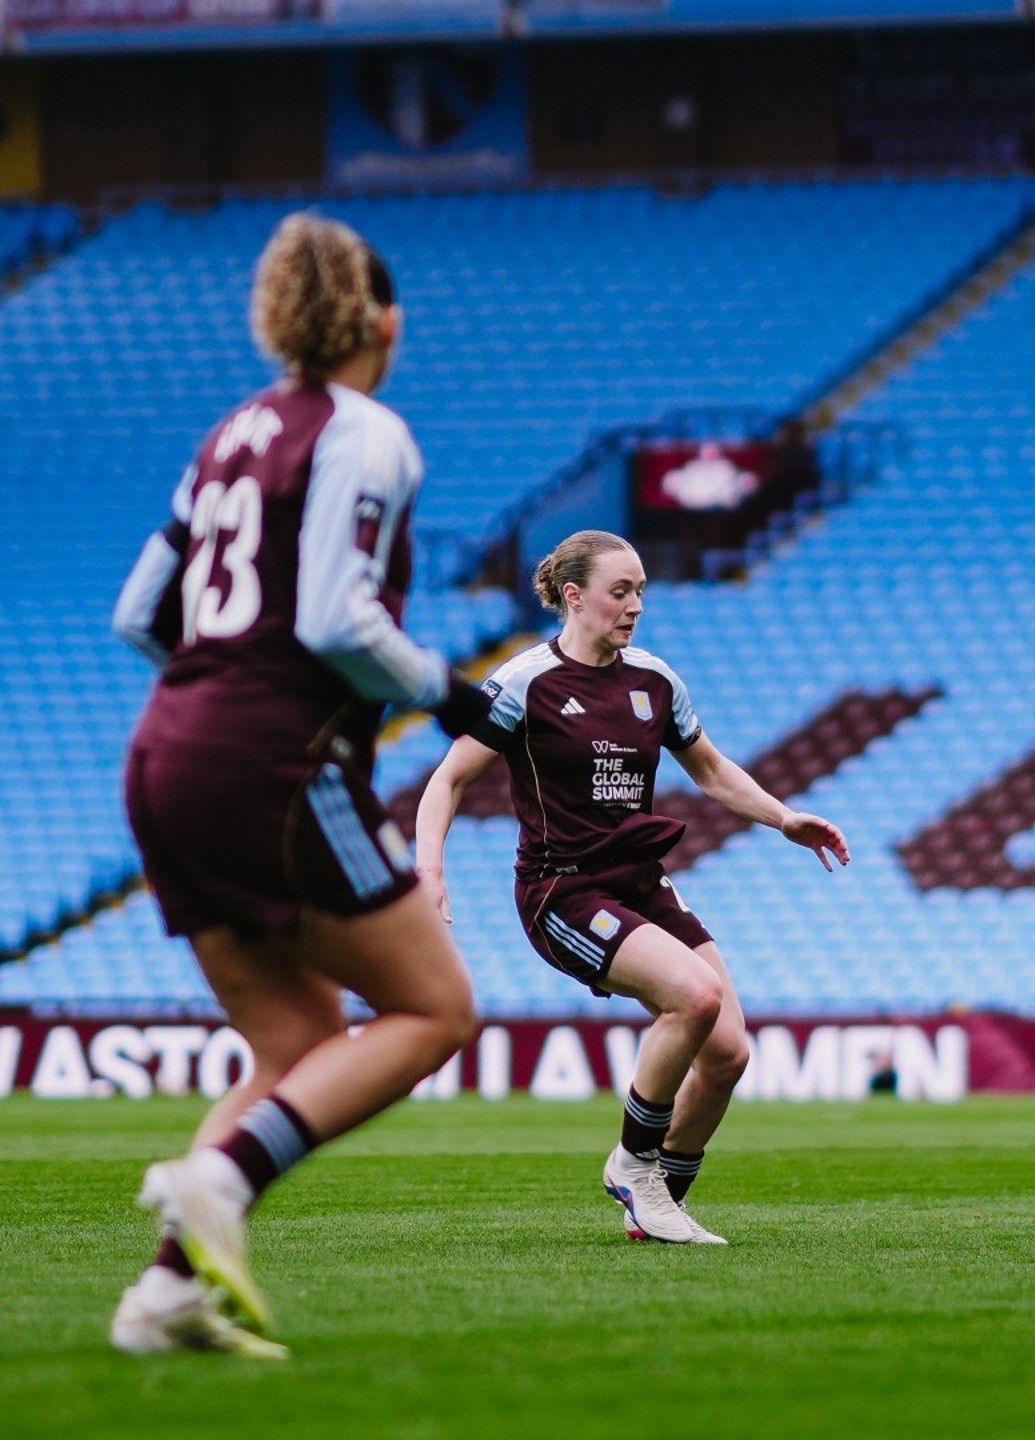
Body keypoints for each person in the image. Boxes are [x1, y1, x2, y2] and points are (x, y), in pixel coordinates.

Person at [106, 213, 492, 1357]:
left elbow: (141, 614)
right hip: (272, 760)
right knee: (437, 1010)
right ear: (385, 320)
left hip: (165, 748)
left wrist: (216, 692)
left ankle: (166, 1297)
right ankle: (218, 1178)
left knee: (295, 1044)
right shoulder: (367, 431)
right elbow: (333, 616)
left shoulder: (232, 429)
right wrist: (454, 694)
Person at [413, 529, 848, 1245]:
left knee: (730, 1051)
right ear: (575, 597)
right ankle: (632, 1164)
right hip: (564, 891)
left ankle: (658, 1204)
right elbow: (448, 780)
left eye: (642, 589)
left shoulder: (654, 679)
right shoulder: (527, 682)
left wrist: (783, 817)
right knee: (695, 998)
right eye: (622, 591)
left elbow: (709, 770)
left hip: (641, 880)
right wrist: (430, 866)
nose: (636, 605)